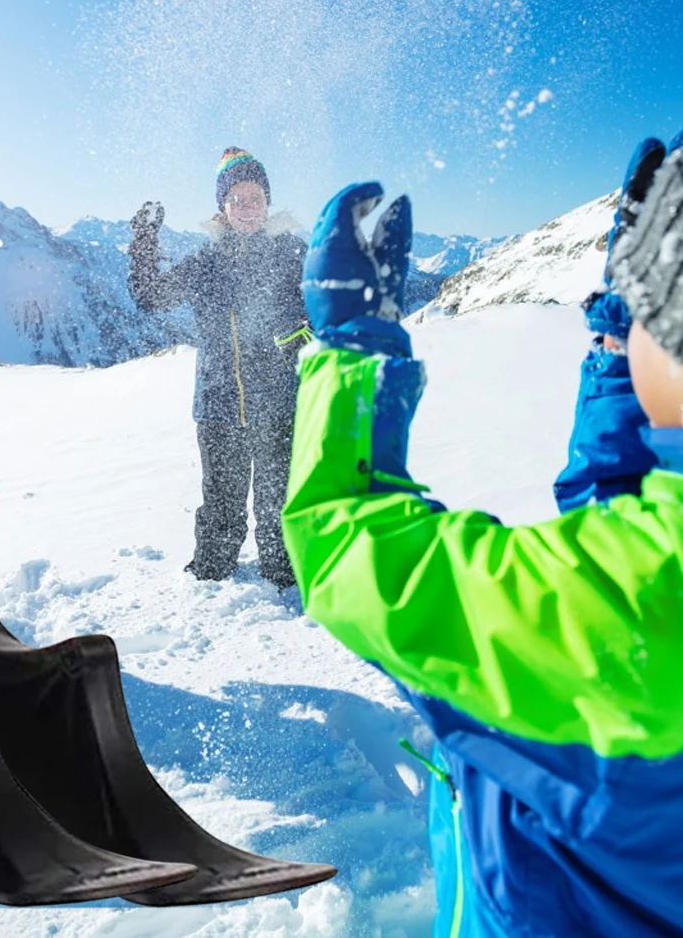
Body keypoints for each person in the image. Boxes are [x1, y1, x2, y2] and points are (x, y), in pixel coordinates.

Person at [282, 129, 683, 937]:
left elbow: (344, 539)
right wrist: (620, 350)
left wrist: (354, 353)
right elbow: (621, 521)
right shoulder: (636, 575)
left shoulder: (625, 615)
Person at [129, 148, 310, 588]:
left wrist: (302, 330)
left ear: (267, 202)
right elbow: (151, 297)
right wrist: (145, 242)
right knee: (222, 505)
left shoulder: (292, 254)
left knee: (279, 502)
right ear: (223, 208)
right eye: (237, 199)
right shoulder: (205, 262)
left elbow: (326, 306)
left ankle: (284, 573)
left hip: (279, 404)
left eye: (255, 198)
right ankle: (210, 578)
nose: (247, 208)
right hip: (219, 405)